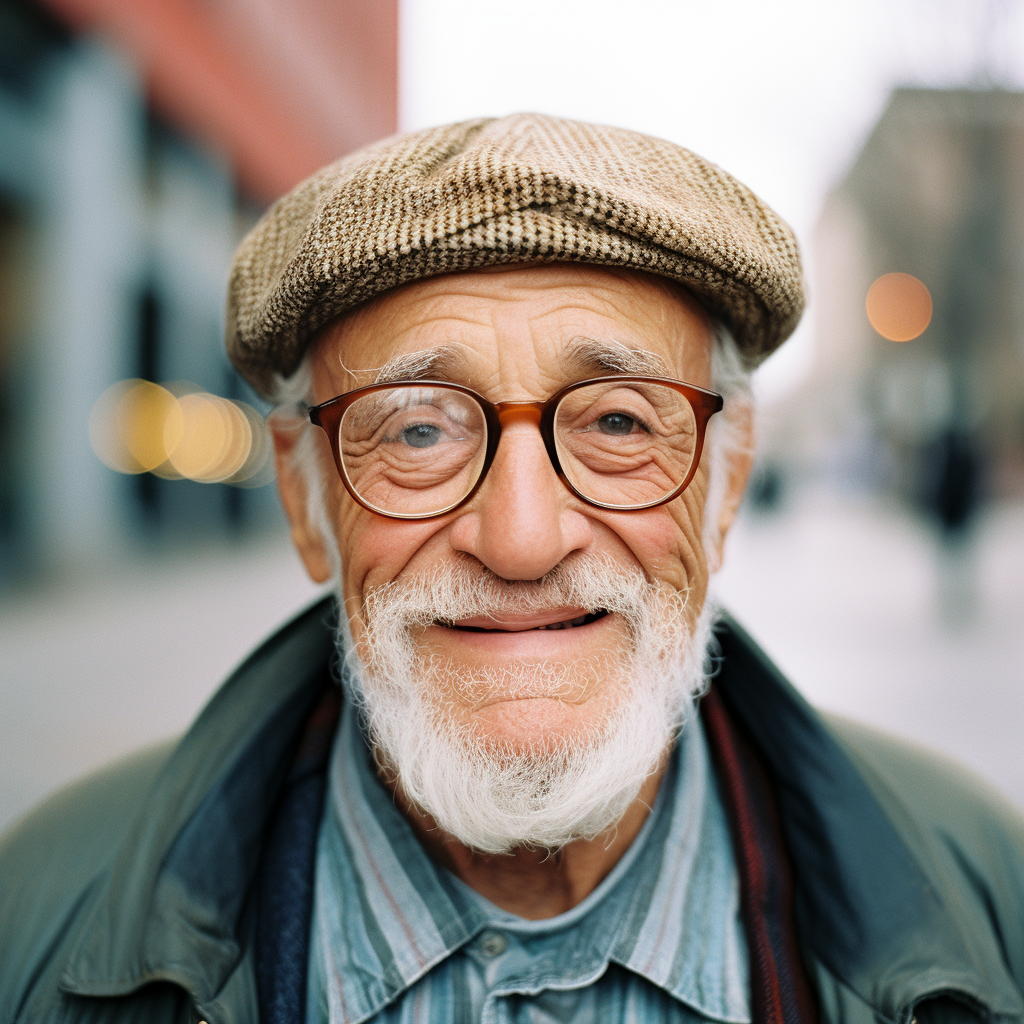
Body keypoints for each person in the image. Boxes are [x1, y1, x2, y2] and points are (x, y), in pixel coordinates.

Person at [2, 114, 1022, 1024]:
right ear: (305, 500)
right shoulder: (37, 909)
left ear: (726, 483)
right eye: (417, 432)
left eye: (618, 421)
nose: (523, 538)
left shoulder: (987, 884)